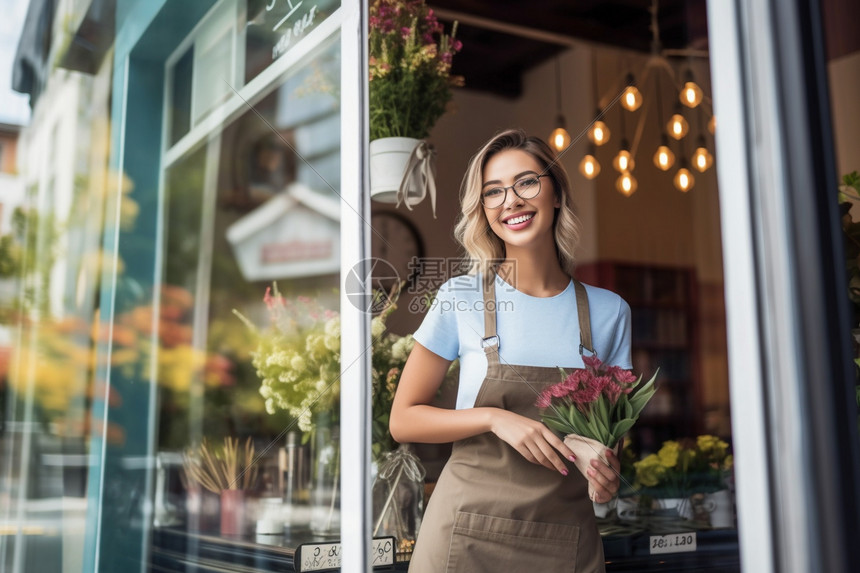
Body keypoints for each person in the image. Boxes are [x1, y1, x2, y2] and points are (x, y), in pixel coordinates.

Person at [389, 129, 632, 572]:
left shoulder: (609, 312)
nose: (510, 201)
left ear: (556, 193)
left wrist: (605, 471)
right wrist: (494, 418)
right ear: (483, 210)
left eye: (526, 183)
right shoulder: (459, 297)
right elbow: (403, 419)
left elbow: (609, 438)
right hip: (464, 534)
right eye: (493, 192)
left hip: (565, 539)